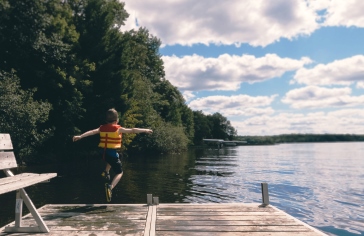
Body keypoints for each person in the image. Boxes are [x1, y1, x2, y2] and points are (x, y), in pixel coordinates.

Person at [73, 108, 152, 202]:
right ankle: (110, 187)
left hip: (103, 153)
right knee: (120, 172)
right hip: (111, 154)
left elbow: (91, 132)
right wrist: (145, 130)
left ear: (106, 120)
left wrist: (80, 136)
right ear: (116, 120)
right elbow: (133, 130)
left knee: (115, 157)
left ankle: (106, 171)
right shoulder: (118, 129)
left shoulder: (102, 128)